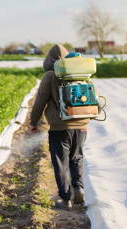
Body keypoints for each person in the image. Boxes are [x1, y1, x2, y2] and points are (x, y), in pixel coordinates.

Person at [30, 44, 90, 210]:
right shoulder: (81, 73)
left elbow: (40, 101)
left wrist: (33, 122)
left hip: (59, 128)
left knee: (60, 163)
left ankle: (66, 198)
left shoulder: (50, 75)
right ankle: (79, 189)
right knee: (76, 157)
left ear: (49, 59)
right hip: (82, 125)